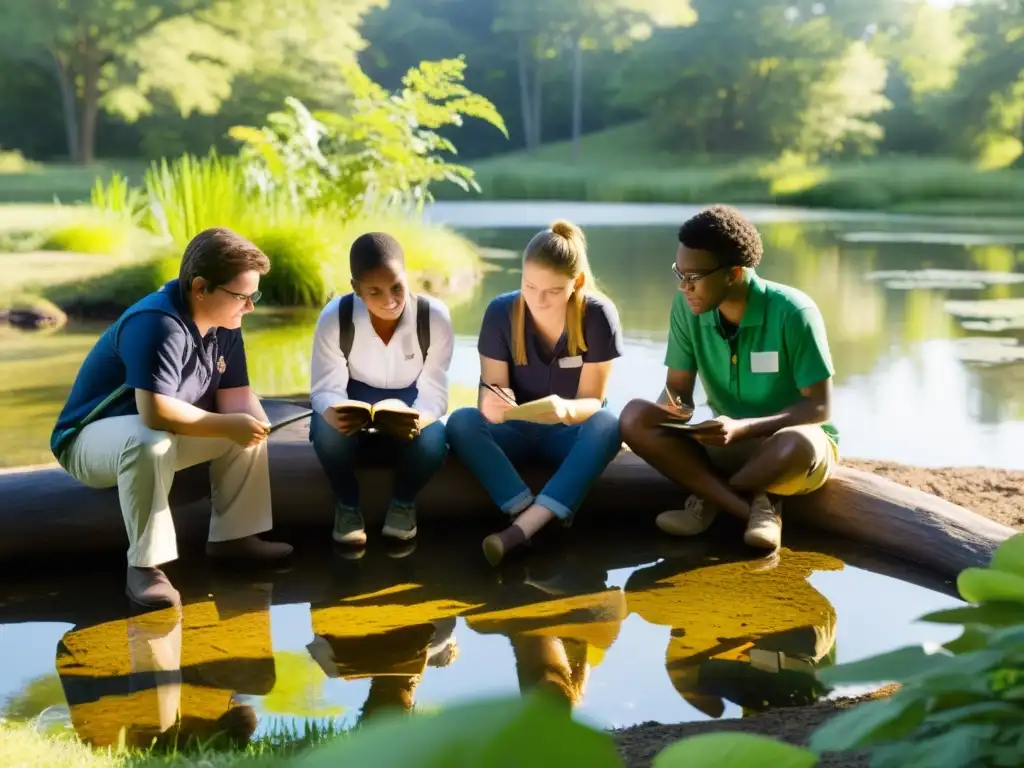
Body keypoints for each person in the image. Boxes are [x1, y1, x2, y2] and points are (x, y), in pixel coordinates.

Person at [50, 228, 294, 611]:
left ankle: (235, 538)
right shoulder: (157, 322)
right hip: (87, 441)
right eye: (242, 297)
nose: (250, 307)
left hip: (158, 433)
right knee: (151, 440)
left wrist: (252, 426)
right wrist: (230, 426)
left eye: (254, 296)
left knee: (247, 423)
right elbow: (155, 412)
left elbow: (237, 400)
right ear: (200, 288)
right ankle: (145, 566)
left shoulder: (225, 325)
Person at [619, 205, 839, 551]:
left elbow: (820, 406)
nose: (683, 288)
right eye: (680, 273)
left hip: (787, 448)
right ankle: (755, 508)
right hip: (725, 442)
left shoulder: (794, 312)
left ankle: (709, 503)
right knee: (633, 416)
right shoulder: (688, 308)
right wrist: (674, 412)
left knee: (798, 443)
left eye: (694, 277)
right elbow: (678, 389)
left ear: (734, 273)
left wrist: (744, 428)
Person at [445, 220, 624, 566]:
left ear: (578, 283)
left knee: (608, 424)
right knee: (462, 421)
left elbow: (592, 400)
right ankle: (526, 510)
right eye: (529, 286)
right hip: (515, 431)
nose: (538, 300)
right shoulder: (501, 312)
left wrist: (566, 411)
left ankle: (521, 530)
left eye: (553, 291)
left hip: (568, 433)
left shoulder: (598, 314)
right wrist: (492, 406)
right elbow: (492, 391)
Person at [309, 232, 454, 546]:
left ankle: (403, 503)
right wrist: (334, 412)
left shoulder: (434, 317)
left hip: (411, 404)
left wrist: (421, 418)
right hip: (352, 400)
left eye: (397, 287)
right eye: (374, 291)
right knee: (325, 432)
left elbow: (436, 393)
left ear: (407, 277)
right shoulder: (336, 317)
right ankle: (347, 504)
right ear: (356, 288)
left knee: (434, 443)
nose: (390, 301)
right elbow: (324, 389)